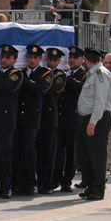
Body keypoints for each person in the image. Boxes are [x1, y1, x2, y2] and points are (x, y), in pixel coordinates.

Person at [0, 44, 24, 198]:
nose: (4, 60)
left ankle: (7, 186)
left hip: (6, 121)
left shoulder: (16, 74)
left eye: (8, 57)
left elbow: (5, 87)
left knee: (4, 154)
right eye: (3, 56)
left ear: (15, 60)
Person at [75, 48, 111, 201]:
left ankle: (98, 188)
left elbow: (100, 101)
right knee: (86, 154)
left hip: (98, 118)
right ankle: (91, 185)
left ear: (87, 59)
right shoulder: (92, 74)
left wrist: (92, 123)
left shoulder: (101, 74)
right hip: (89, 117)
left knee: (96, 155)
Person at [13, 44, 50, 196]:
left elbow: (40, 88)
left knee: (29, 150)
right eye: (30, 57)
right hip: (18, 117)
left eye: (35, 57)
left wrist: (23, 80)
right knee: (17, 150)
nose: (32, 60)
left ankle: (30, 183)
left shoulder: (44, 73)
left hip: (32, 118)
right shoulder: (21, 72)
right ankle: (18, 183)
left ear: (40, 59)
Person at [53, 47, 86, 191]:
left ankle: (67, 181)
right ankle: (56, 179)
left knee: (72, 153)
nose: (71, 59)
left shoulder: (84, 74)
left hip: (74, 119)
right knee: (59, 151)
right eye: (70, 57)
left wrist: (67, 79)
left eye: (75, 57)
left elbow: (81, 88)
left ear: (82, 59)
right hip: (61, 118)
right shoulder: (64, 73)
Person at [36, 48, 66, 194]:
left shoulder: (60, 75)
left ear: (59, 61)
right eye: (50, 59)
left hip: (50, 118)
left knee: (49, 153)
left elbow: (47, 88)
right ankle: (39, 181)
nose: (52, 63)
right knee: (38, 152)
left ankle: (47, 183)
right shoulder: (40, 73)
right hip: (38, 117)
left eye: (55, 60)